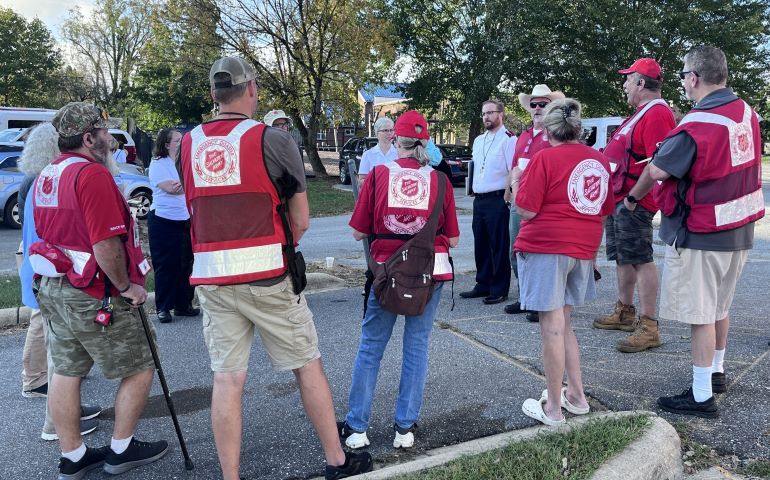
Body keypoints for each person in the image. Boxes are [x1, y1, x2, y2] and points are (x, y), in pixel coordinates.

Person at [180, 56, 372, 480]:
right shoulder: (272, 140)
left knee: (227, 380)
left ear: (213, 94)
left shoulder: (188, 143)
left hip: (212, 278)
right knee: (307, 364)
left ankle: (230, 476)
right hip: (269, 276)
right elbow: (300, 220)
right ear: (252, 89)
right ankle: (337, 461)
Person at [32, 102, 167, 478]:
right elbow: (105, 244)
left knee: (66, 370)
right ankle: (121, 450)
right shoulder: (92, 176)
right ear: (88, 138)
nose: (111, 140)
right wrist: (127, 287)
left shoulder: (49, 172)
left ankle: (72, 456)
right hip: (93, 290)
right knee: (141, 365)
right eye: (104, 133)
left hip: (56, 287)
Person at [338, 110, 460, 449]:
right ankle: (404, 429)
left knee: (371, 347)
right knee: (416, 348)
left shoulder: (378, 175)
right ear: (426, 142)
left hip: (386, 274)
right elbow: (452, 240)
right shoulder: (440, 181)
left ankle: (357, 427)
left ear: (396, 139)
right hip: (429, 273)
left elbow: (356, 231)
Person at [653, 46, 764, 417]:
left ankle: (701, 396)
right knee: (720, 306)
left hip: (702, 231)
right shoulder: (747, 113)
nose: (683, 81)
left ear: (695, 78)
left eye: (684, 75)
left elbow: (659, 171)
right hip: (740, 228)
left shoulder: (697, 123)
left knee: (700, 315)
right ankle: (716, 371)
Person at [513, 99, 615, 426]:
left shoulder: (544, 158)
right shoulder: (598, 160)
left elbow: (526, 209)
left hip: (547, 247)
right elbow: (603, 207)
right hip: (582, 249)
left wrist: (517, 181)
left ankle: (554, 409)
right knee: (565, 325)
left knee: (552, 329)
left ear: (548, 129)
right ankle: (577, 395)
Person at [17, 123, 102, 441]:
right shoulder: (47, 182)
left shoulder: (42, 179)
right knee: (59, 354)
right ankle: (57, 423)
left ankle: (65, 411)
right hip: (50, 274)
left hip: (43, 270)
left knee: (60, 350)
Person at [592, 58, 676, 353]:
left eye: (628, 79)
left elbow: (658, 163)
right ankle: (625, 311)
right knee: (624, 258)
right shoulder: (640, 114)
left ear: (642, 83)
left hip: (634, 202)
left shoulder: (657, 114)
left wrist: (631, 199)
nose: (624, 85)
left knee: (641, 259)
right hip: (621, 199)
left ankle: (649, 324)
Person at [504, 84, 565, 322]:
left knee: (538, 252)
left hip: (542, 203)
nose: (538, 108)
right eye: (534, 104)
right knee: (516, 250)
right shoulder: (524, 135)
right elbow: (514, 166)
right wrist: (509, 192)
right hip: (519, 199)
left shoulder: (555, 135)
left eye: (543, 104)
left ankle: (540, 302)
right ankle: (525, 297)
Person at [460, 99, 516, 305]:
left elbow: (513, 169)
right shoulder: (479, 140)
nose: (486, 117)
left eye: (490, 113)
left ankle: (499, 288)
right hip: (480, 199)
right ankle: (483, 283)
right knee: (481, 244)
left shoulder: (509, 139)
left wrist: (509, 193)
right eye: (484, 113)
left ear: (500, 114)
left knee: (498, 245)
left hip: (497, 198)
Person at [147, 128, 197, 324]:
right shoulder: (158, 163)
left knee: (186, 264)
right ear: (167, 145)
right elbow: (171, 189)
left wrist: (183, 184)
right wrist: (187, 184)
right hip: (163, 219)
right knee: (166, 265)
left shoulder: (186, 161)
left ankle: (183, 305)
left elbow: (183, 186)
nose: (181, 142)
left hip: (186, 218)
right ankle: (163, 308)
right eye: (177, 140)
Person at [358, 117, 397, 182]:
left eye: (391, 130)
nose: (390, 133)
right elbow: (361, 181)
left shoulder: (399, 154)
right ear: (377, 133)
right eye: (386, 130)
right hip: (375, 191)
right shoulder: (368, 155)